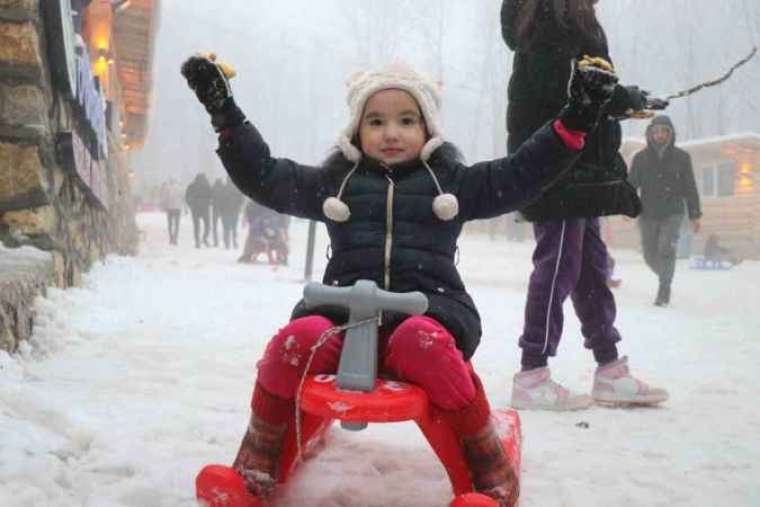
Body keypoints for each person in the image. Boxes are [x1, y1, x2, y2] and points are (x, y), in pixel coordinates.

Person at [181, 53, 618, 505]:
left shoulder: (451, 182)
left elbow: (523, 173)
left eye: (407, 120)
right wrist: (225, 114)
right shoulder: (339, 182)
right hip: (342, 314)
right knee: (295, 341)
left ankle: (488, 469)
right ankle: (256, 465)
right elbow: (265, 175)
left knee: (420, 344)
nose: (391, 133)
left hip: (429, 309)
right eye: (376, 121)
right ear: (357, 130)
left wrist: (576, 118)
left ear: (427, 128)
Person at [501, 0, 669, 410]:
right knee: (558, 266)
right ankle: (532, 372)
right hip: (557, 166)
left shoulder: (572, 19)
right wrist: (623, 98)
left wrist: (627, 101)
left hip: (580, 167)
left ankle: (609, 368)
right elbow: (572, 90)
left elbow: (589, 90)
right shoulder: (547, 19)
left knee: (591, 270)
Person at [629, 115, 702, 306]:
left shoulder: (682, 158)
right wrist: (626, 208)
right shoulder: (640, 158)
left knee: (666, 249)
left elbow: (690, 187)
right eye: (656, 131)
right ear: (650, 134)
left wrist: (695, 214)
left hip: (673, 212)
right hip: (648, 212)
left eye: (664, 131)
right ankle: (666, 275)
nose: (660, 135)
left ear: (671, 134)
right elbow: (630, 186)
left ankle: (664, 289)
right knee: (649, 254)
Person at [185, 173, 213, 248]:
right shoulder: (207, 185)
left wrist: (191, 205)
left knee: (196, 226)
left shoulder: (192, 186)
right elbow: (211, 196)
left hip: (195, 208)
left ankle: (197, 241)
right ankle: (204, 238)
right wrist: (209, 202)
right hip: (204, 208)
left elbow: (187, 197)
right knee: (207, 225)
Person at [219, 176, 244, 249]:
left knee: (226, 228)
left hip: (225, 212)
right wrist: (238, 207)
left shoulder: (223, 189)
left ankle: (227, 243)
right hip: (234, 211)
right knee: (234, 228)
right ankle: (234, 242)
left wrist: (221, 210)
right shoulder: (237, 188)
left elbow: (219, 201)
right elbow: (241, 200)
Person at [159, 178, 183, 245]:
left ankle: (171, 238)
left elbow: (165, 198)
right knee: (177, 224)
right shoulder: (180, 188)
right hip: (178, 208)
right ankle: (175, 238)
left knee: (170, 224)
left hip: (169, 208)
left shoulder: (167, 188)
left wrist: (163, 206)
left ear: (170, 182)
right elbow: (182, 197)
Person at [210, 177, 226, 247]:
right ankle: (226, 241)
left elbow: (210, 197)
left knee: (215, 226)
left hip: (215, 208)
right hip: (223, 209)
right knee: (224, 226)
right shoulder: (223, 188)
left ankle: (215, 241)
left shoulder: (213, 188)